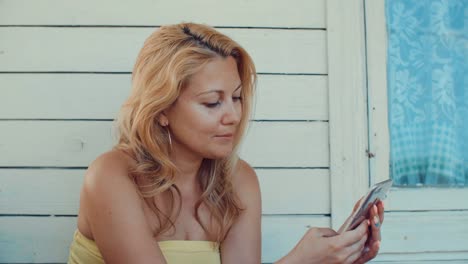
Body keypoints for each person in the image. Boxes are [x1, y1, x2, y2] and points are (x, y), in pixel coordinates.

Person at [68, 22, 384, 264]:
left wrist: (335, 255)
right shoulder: (110, 176)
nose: (233, 116)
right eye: (211, 103)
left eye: (236, 98)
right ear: (161, 109)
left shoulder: (238, 179)